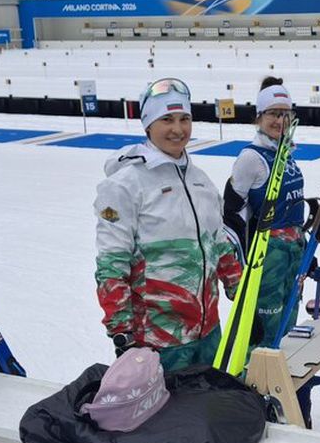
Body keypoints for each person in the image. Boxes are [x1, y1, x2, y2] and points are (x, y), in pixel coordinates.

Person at [94, 78, 241, 371]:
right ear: (148, 125)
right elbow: (112, 265)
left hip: (209, 334)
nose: (178, 129)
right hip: (157, 341)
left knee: (211, 412)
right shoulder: (125, 185)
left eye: (184, 119)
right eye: (167, 120)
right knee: (166, 417)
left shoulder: (199, 180)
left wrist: (240, 288)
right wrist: (121, 332)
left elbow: (219, 244)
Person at [222, 76, 305, 346]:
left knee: (287, 327)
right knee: (264, 334)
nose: (280, 121)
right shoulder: (251, 158)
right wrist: (239, 266)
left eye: (285, 114)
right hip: (267, 257)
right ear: (259, 117)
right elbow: (231, 214)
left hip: (293, 254)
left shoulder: (284, 153)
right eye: (272, 114)